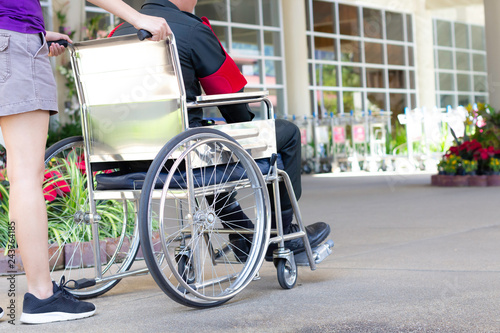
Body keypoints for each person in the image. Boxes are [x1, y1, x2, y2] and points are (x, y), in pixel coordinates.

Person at [112, 0, 330, 261]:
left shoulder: (118, 32)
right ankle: (280, 233)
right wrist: (246, 124)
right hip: (182, 153)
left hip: (125, 156)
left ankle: (243, 234)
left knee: (208, 144)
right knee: (286, 133)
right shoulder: (189, 29)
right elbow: (230, 97)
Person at [0, 0, 169, 324]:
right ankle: (41, 297)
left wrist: (38, 33)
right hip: (12, 43)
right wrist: (138, 17)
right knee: (24, 175)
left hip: (14, 36)